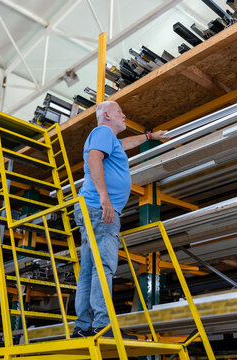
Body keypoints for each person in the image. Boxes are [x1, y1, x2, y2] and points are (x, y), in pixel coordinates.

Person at [72, 100, 167, 337]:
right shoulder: (103, 131)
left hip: (91, 209)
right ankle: (103, 325)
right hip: (100, 210)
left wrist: (150, 137)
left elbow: (123, 144)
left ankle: (84, 326)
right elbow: (94, 159)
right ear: (106, 115)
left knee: (88, 270)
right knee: (103, 266)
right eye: (119, 112)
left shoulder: (109, 139)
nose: (124, 115)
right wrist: (105, 197)